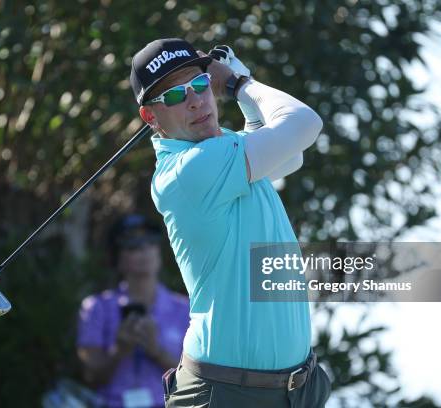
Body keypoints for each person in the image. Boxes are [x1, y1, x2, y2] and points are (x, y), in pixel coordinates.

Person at [129, 38, 332, 407]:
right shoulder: (188, 171)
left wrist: (243, 92)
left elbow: (289, 158)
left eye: (200, 85)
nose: (194, 101)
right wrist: (240, 84)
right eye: (174, 96)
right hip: (225, 393)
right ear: (151, 118)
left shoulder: (226, 151)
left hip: (297, 390)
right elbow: (305, 123)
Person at [77, 214, 190, 408]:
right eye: (134, 247)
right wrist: (119, 351)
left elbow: (195, 381)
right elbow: (92, 378)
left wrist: (157, 352)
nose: (145, 251)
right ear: (117, 258)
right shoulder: (96, 308)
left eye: (150, 244)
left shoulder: (186, 308)